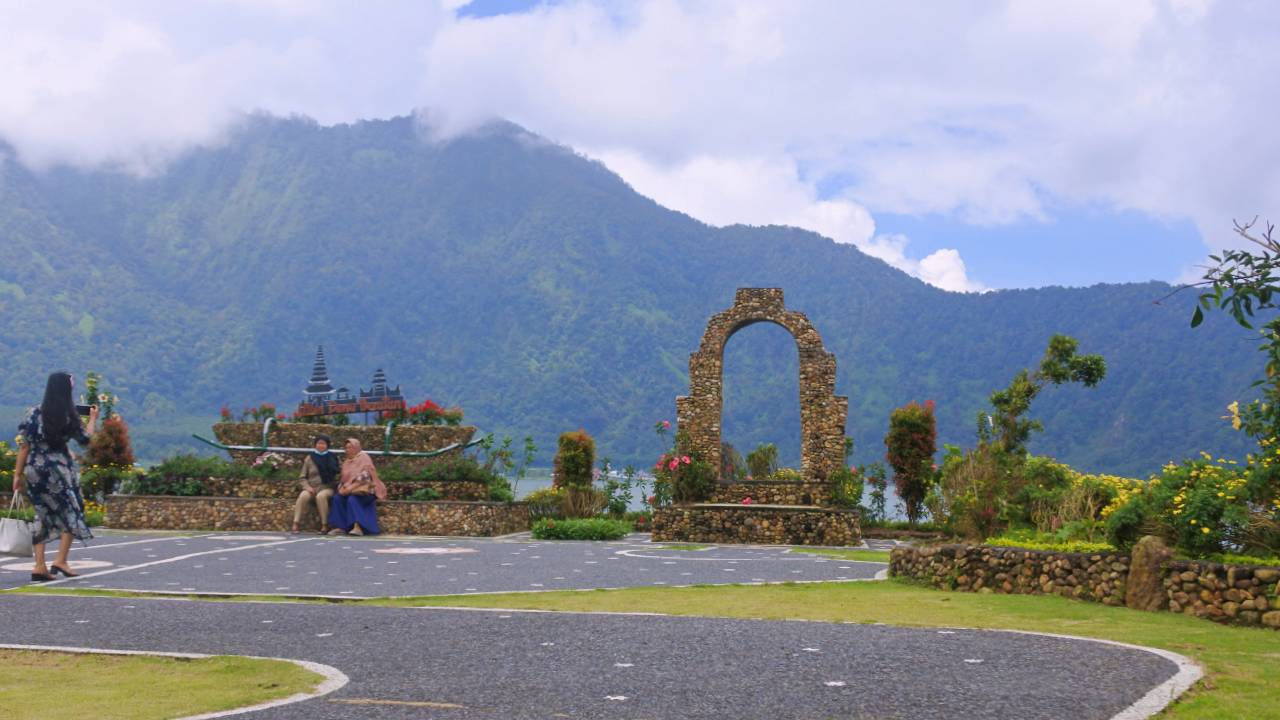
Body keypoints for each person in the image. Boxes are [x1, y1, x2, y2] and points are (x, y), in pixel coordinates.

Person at [13, 372, 98, 582]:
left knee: (40, 514)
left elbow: (24, 446)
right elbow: (86, 440)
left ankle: (39, 565)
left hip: (35, 469)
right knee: (73, 510)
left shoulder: (33, 413)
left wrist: (17, 474)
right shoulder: (69, 416)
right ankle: (61, 560)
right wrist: (93, 419)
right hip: (59, 471)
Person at [327, 438, 386, 536]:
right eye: (346, 448)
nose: (348, 450)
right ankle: (340, 527)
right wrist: (342, 489)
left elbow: (365, 476)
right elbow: (343, 479)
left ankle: (357, 527)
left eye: (350, 447)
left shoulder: (364, 457)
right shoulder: (347, 462)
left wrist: (349, 489)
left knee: (353, 499)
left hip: (366, 491)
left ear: (356, 447)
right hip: (351, 490)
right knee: (337, 498)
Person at [292, 434, 339, 533]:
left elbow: (340, 472)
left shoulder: (333, 457)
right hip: (312, 487)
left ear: (327, 445)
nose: (321, 446)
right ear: (315, 445)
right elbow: (302, 477)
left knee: (321, 496)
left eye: (323, 444)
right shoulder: (309, 458)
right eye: (319, 443)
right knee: (303, 496)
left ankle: (324, 525)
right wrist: (307, 487)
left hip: (327, 487)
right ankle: (295, 523)